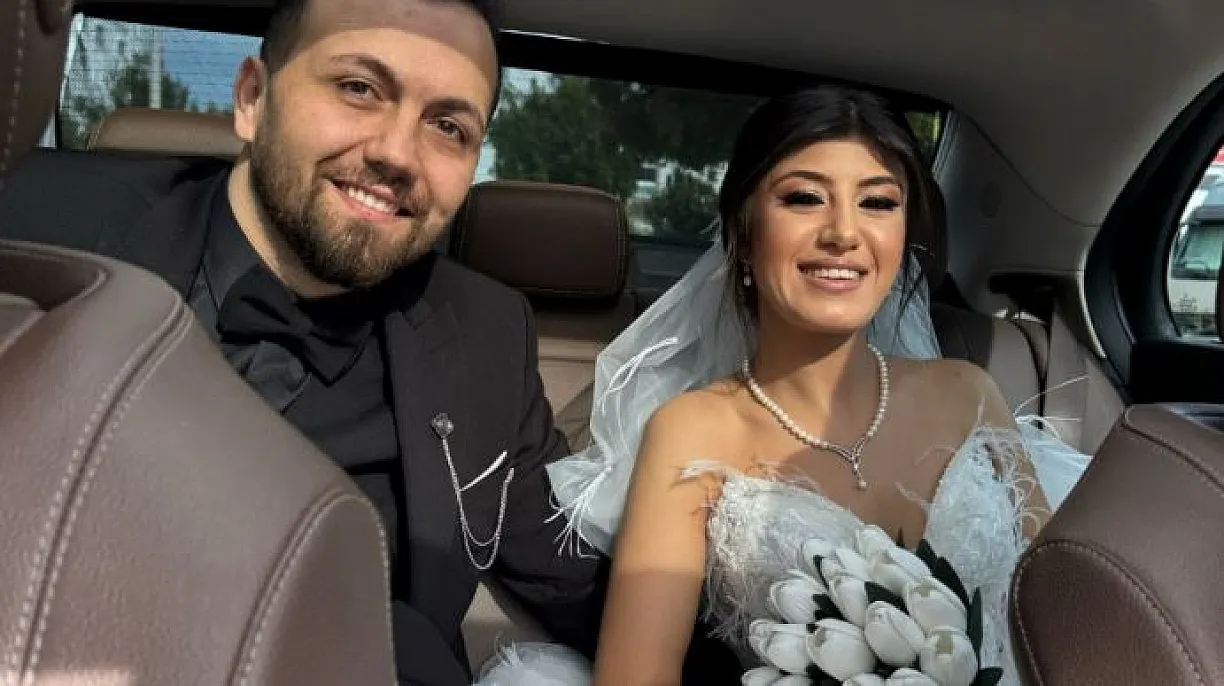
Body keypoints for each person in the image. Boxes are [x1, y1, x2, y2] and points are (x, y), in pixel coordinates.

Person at [0, 0, 609, 683]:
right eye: (359, 88)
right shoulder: (34, 228)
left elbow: (572, 579)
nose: (396, 154)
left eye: (448, 126)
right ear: (252, 99)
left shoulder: (485, 334)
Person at [474, 86, 1090, 686]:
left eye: (878, 203)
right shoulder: (692, 431)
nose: (843, 232)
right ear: (743, 236)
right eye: (804, 198)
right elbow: (638, 673)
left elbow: (1062, 617)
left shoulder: (967, 393)